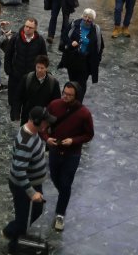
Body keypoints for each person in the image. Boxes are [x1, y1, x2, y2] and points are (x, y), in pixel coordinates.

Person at [40, 81, 94, 232]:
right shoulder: (54, 105)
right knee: (56, 179)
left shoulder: (84, 113)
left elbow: (89, 134)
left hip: (72, 154)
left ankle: (60, 214)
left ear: (76, 96)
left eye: (70, 95)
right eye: (64, 93)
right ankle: (64, 194)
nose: (66, 97)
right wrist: (46, 138)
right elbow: (43, 125)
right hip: (55, 151)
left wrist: (74, 141)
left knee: (66, 183)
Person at [3, 106, 54, 251]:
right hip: (22, 186)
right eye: (45, 122)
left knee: (36, 210)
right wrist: (32, 193)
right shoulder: (26, 141)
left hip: (31, 182)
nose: (47, 124)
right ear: (37, 121)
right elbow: (19, 171)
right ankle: (13, 245)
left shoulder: (32, 132)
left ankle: (12, 231)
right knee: (23, 219)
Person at [5, 18, 47, 118]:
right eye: (26, 26)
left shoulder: (40, 41)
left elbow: (43, 58)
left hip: (30, 77)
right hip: (16, 75)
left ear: (35, 28)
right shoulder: (15, 38)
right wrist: (9, 70)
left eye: (30, 27)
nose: (27, 29)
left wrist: (41, 72)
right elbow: (8, 54)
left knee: (28, 102)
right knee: (14, 100)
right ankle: (14, 118)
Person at [58, 8, 103, 101]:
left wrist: (97, 60)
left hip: (86, 62)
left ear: (93, 19)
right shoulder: (74, 24)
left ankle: (78, 102)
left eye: (90, 18)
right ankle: (70, 99)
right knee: (72, 81)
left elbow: (100, 46)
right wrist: (71, 43)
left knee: (82, 84)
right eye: (85, 16)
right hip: (73, 59)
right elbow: (64, 35)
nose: (87, 19)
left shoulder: (96, 30)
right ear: (82, 16)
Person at [13, 55, 61, 125]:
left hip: (43, 118)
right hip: (27, 115)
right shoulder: (27, 78)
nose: (39, 70)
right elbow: (18, 96)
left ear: (46, 68)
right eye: (38, 67)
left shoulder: (53, 83)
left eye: (42, 68)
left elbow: (56, 102)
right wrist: (17, 112)